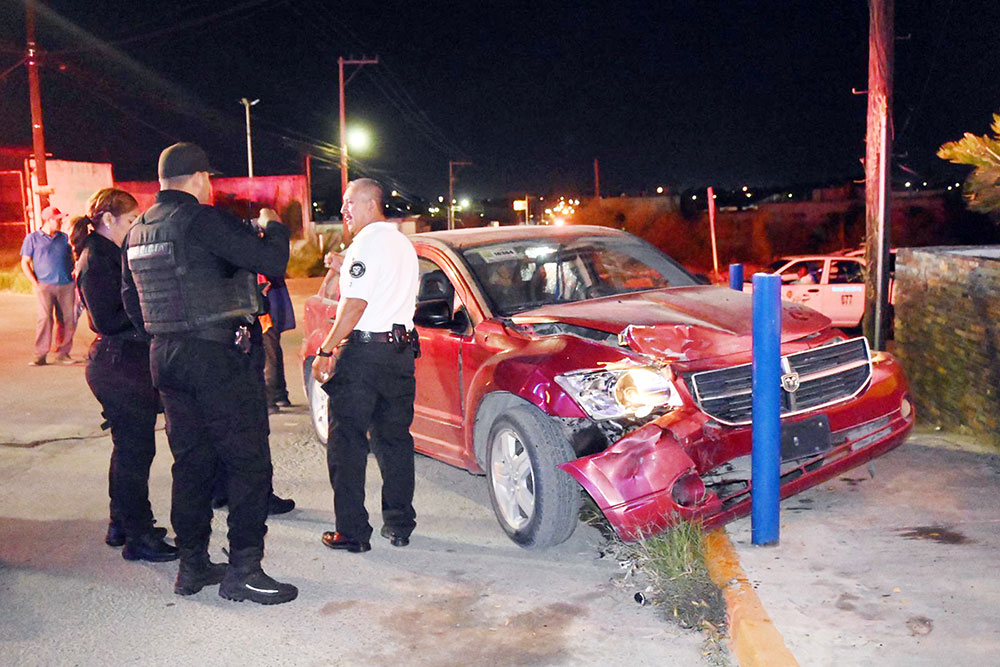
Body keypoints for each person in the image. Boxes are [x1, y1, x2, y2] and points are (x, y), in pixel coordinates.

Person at [121, 142, 296, 605]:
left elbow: (130, 302)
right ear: (199, 178)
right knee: (246, 461)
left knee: (192, 463)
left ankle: (192, 565)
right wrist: (275, 227)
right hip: (217, 357)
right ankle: (244, 569)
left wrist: (165, 335)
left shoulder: (138, 231)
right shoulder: (201, 219)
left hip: (166, 357)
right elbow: (273, 264)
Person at [312, 178, 419, 553]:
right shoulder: (402, 243)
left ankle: (352, 532)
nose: (344, 211)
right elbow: (382, 285)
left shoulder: (365, 245)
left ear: (372, 204)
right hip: (400, 354)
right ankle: (400, 523)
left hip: (365, 356)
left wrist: (326, 350)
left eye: (350, 202)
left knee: (347, 443)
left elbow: (355, 306)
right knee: (395, 440)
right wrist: (345, 265)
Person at [71, 188, 177, 562]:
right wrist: (149, 317)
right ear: (109, 219)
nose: (135, 227)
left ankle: (122, 523)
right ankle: (138, 535)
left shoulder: (107, 252)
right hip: (118, 363)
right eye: (131, 220)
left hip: (121, 362)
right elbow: (105, 318)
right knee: (136, 451)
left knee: (128, 448)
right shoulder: (97, 257)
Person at [20, 205, 78, 365]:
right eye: (58, 220)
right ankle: (40, 354)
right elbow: (25, 262)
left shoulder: (64, 238)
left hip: (66, 285)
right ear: (49, 220)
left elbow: (73, 258)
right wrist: (35, 282)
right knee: (45, 319)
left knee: (67, 319)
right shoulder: (32, 238)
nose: (61, 222)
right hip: (44, 285)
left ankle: (63, 353)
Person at [261, 272, 295, 411]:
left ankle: (269, 399)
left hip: (265, 295)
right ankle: (279, 393)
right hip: (274, 293)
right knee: (272, 346)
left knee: (267, 347)